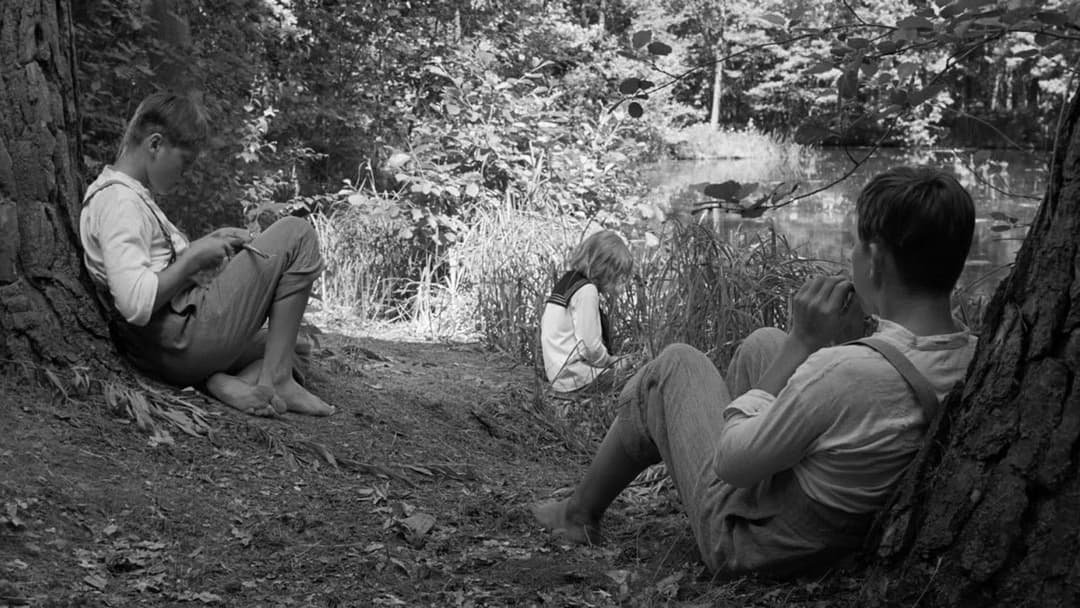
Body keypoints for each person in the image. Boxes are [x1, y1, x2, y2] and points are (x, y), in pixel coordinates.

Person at [531, 166, 978, 577]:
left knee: (674, 365)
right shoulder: (975, 352)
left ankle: (578, 514)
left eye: (858, 245)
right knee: (763, 343)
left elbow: (731, 460)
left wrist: (804, 342)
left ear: (875, 261)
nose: (853, 255)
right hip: (843, 518)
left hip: (752, 542)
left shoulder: (844, 371)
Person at [79, 91, 335, 417]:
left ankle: (227, 381)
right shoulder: (119, 203)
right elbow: (135, 302)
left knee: (291, 344)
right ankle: (277, 380)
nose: (184, 173)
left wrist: (211, 240)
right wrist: (194, 257)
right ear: (155, 144)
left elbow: (149, 265)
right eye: (184, 162)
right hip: (181, 338)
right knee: (297, 233)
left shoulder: (120, 195)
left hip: (166, 351)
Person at [540, 230, 633, 393]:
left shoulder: (569, 281)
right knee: (638, 381)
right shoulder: (586, 291)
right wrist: (610, 361)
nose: (619, 284)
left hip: (558, 373)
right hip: (577, 377)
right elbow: (589, 346)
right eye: (618, 277)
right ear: (606, 270)